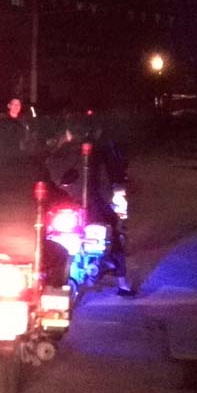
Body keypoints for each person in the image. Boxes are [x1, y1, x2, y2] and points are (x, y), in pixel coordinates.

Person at [0, 118, 68, 282]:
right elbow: (53, 196)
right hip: (33, 248)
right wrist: (68, 201)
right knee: (61, 254)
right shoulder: (35, 168)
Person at [46, 117, 135, 296]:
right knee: (114, 233)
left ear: (68, 134)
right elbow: (111, 178)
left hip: (60, 208)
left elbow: (49, 180)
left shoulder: (56, 154)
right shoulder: (98, 151)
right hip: (92, 206)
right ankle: (123, 283)